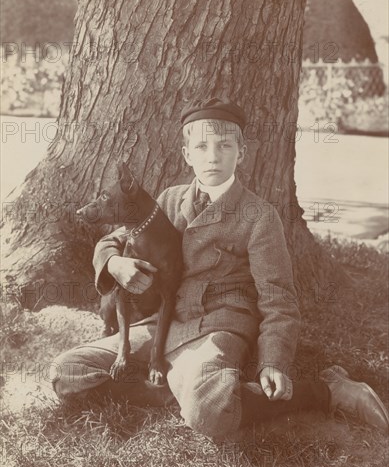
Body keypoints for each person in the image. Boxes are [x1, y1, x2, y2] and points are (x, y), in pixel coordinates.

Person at [51, 98, 389, 439]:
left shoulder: (258, 216)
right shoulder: (169, 200)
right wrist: (114, 262)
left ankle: (327, 390)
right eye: (201, 146)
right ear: (187, 155)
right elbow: (114, 238)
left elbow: (278, 298)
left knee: (211, 413)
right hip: (161, 325)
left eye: (224, 145)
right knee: (66, 372)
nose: (212, 155)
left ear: (240, 153)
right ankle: (187, 389)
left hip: (218, 326)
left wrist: (273, 361)